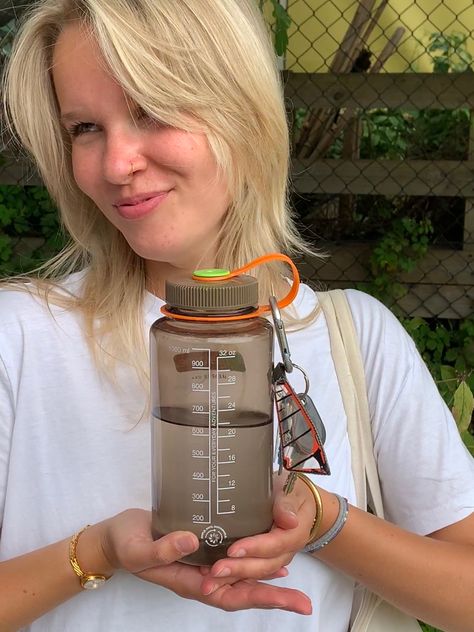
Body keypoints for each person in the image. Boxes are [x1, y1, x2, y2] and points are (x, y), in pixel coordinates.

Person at [0, 1, 473, 630]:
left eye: (152, 109)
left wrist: (324, 520)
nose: (116, 164)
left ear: (241, 109)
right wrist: (99, 552)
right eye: (86, 127)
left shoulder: (357, 337)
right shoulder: (21, 337)